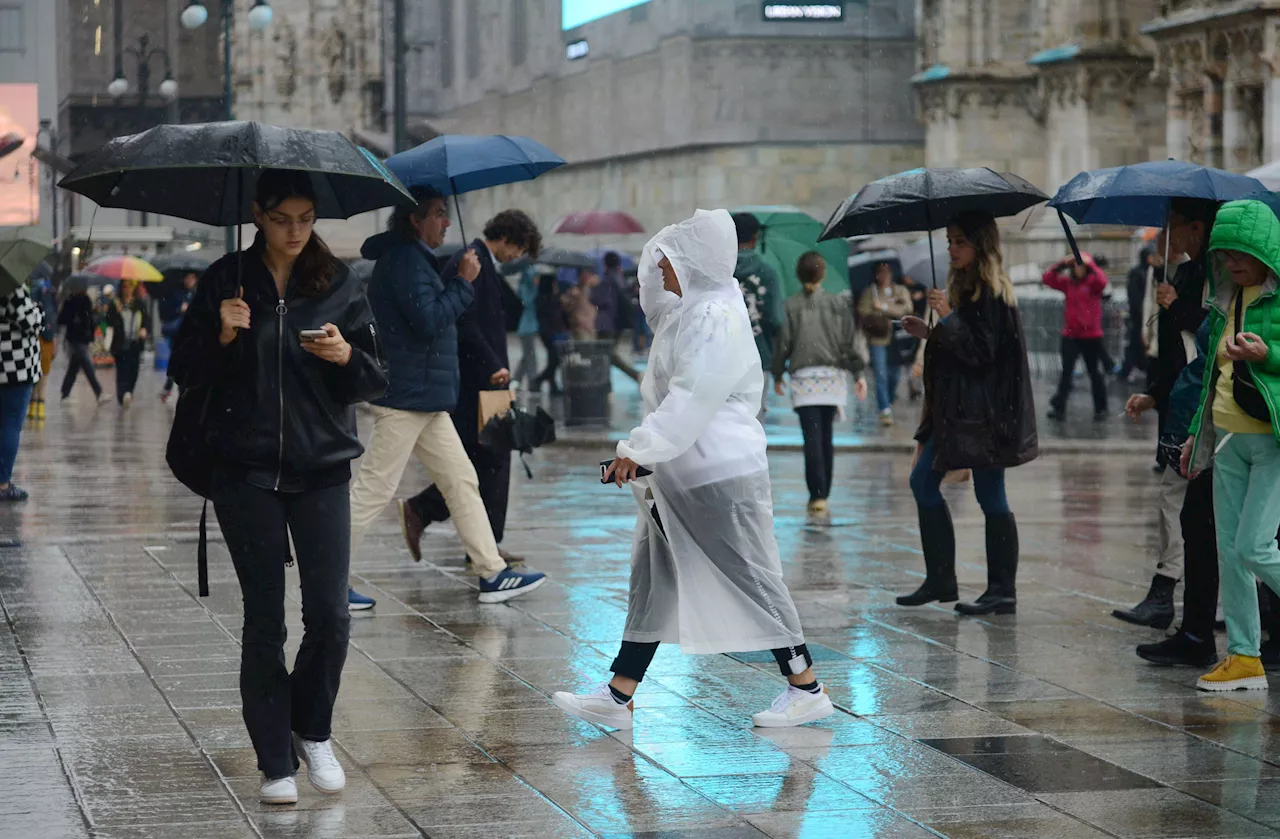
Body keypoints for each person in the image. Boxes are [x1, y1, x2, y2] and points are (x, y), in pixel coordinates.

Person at [551, 208, 835, 730]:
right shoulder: (698, 309)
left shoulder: (711, 317)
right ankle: (619, 694)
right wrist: (645, 454)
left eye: (668, 262)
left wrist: (638, 448)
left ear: (694, 261)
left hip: (716, 474)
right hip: (683, 474)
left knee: (750, 576)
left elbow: (692, 396)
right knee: (652, 580)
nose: (660, 272)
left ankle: (806, 687)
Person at [167, 169, 389, 804]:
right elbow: (184, 369)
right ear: (258, 217)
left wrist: (346, 358)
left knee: (330, 614)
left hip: (322, 467)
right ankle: (275, 763)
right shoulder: (224, 281)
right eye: (282, 218)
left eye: (306, 218)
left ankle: (311, 729)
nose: (296, 231)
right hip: (245, 471)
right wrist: (222, 333)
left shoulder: (339, 282)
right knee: (264, 621)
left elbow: (377, 379)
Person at [347, 187, 545, 607]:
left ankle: (491, 572)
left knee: (461, 480)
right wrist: (463, 283)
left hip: (425, 396)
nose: (447, 221)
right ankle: (326, 579)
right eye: (438, 214)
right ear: (416, 220)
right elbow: (430, 318)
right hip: (406, 395)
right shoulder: (404, 261)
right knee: (374, 489)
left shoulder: (414, 259)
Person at [895, 210, 1038, 615]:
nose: (952, 249)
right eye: (949, 242)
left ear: (981, 245)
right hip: (957, 411)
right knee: (923, 481)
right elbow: (964, 347)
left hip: (986, 414)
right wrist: (930, 333)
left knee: (991, 494)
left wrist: (947, 318)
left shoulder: (991, 292)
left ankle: (1002, 591)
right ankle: (940, 578)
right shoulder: (964, 286)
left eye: (960, 241)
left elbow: (983, 354)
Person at [398, 210, 542, 570]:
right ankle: (431, 515)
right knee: (484, 463)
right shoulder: (472, 262)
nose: (517, 257)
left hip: (489, 381)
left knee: (488, 462)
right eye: (519, 249)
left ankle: (482, 542)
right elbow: (463, 323)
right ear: (508, 238)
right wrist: (492, 363)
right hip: (479, 381)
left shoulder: (484, 265)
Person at [1178, 198, 1280, 691]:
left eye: (1242, 253)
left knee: (1256, 547)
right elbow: (1210, 377)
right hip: (1227, 440)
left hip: (1271, 442)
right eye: (1225, 254)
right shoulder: (1224, 300)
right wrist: (1198, 434)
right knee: (1229, 552)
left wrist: (1269, 354)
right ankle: (1244, 657)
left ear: (1265, 250)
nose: (1234, 263)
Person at [1115, 199, 1218, 629]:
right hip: (1182, 404)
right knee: (1185, 506)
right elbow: (1179, 353)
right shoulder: (1188, 270)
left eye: (1171, 225)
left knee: (1180, 503)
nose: (1164, 235)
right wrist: (1154, 394)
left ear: (1196, 227)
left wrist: (1175, 304)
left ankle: (1172, 598)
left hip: (1204, 408)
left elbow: (1213, 334)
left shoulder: (1215, 272)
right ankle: (1191, 606)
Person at [773, 252, 867, 514]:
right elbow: (848, 343)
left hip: (804, 379)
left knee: (811, 437)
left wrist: (778, 372)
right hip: (832, 378)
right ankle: (824, 491)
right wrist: (858, 374)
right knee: (826, 436)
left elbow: (784, 343)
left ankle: (816, 493)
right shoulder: (837, 304)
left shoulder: (791, 306)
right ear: (822, 274)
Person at [1044, 253, 1109, 422]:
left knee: (1094, 372)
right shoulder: (1068, 283)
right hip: (1071, 335)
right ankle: (1059, 408)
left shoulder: (1093, 283)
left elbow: (1103, 281)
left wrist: (1092, 264)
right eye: (1075, 266)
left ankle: (1101, 408)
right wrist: (1061, 263)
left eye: (1081, 266)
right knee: (1066, 373)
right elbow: (1048, 278)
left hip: (1091, 335)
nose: (1078, 269)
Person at [732, 213, 784, 412]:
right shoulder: (768, 273)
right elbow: (777, 319)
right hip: (758, 354)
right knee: (753, 416)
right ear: (755, 238)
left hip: (723, 357)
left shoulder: (719, 271)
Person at [0, 284, 44, 500]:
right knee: (10, 424)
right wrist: (39, 309)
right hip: (14, 367)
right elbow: (31, 323)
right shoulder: (11, 286)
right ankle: (2, 484)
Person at [857, 262, 914, 426]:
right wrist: (880, 315)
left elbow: (907, 308)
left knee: (895, 375)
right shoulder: (870, 292)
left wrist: (882, 307)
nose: (884, 275)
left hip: (897, 339)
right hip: (878, 339)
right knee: (880, 374)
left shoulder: (900, 290)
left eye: (887, 272)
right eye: (880, 272)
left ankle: (887, 401)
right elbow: (863, 311)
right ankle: (884, 409)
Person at [57, 286, 105, 403]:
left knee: (75, 366)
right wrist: (73, 317)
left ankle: (65, 393)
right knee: (87, 364)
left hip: (84, 338)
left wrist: (94, 313)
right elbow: (62, 319)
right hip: (75, 338)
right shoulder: (70, 301)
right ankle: (98, 392)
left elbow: (88, 320)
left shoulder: (86, 300)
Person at [1118, 248, 1159, 382]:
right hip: (1139, 317)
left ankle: (1133, 369)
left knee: (1138, 345)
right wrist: (1141, 312)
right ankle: (1129, 371)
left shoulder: (1151, 271)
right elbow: (1135, 296)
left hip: (1145, 316)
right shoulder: (1137, 272)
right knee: (1136, 343)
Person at [106, 279, 149, 406]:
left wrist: (144, 329)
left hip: (135, 343)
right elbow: (108, 321)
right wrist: (116, 314)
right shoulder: (115, 303)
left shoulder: (139, 304)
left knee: (133, 370)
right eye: (124, 287)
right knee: (121, 370)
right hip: (120, 343)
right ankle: (122, 395)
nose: (127, 290)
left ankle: (128, 392)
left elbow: (146, 320)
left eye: (129, 286)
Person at [160, 271, 199, 402]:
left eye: (192, 278)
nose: (190, 281)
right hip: (177, 334)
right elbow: (166, 312)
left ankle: (180, 388)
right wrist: (179, 309)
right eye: (188, 278)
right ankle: (172, 387)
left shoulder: (198, 295)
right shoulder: (176, 294)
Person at [29, 275, 56, 420]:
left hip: (37, 336)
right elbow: (52, 317)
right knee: (43, 374)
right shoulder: (48, 294)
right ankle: (39, 406)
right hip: (45, 337)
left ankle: (34, 405)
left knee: (36, 373)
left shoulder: (31, 293)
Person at [534, 272, 566, 394]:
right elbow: (551, 315)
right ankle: (539, 379)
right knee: (554, 359)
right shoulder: (544, 298)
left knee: (553, 359)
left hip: (552, 331)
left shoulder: (552, 298)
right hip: (549, 333)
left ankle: (552, 385)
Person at [513, 264, 541, 388]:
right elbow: (527, 301)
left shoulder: (525, 283)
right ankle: (532, 381)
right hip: (526, 326)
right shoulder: (527, 286)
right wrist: (535, 288)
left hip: (529, 325)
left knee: (527, 355)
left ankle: (516, 380)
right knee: (530, 356)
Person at [562, 269, 599, 340]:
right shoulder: (574, 290)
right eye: (584, 275)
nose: (586, 277)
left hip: (591, 326)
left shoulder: (595, 288)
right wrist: (571, 297)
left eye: (588, 274)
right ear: (579, 276)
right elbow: (566, 306)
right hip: (579, 327)